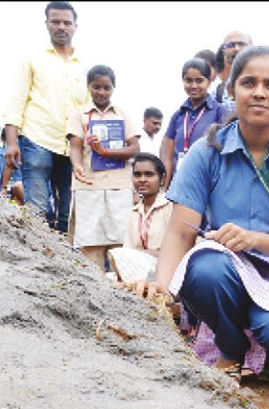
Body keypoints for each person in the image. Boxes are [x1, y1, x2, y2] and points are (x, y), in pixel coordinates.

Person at [137, 45, 269, 384]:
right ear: (230, 91)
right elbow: (181, 233)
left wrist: (255, 240)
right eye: (248, 82)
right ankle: (231, 346)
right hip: (226, 269)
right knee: (204, 266)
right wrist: (163, 291)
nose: (259, 92)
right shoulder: (205, 153)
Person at [4, 1, 87, 233]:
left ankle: (62, 264)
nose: (61, 27)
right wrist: (11, 143)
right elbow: (16, 100)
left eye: (66, 22)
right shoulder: (31, 58)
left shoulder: (84, 66)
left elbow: (88, 109)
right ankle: (37, 264)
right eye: (56, 22)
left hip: (72, 146)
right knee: (38, 209)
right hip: (37, 138)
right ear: (47, 24)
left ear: (75, 26)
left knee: (68, 211)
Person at [66, 65, 141, 270]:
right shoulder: (78, 114)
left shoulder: (122, 114)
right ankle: (95, 293)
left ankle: (123, 290)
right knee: (90, 244)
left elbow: (134, 148)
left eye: (106, 88)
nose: (101, 92)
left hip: (119, 185)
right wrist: (77, 166)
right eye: (96, 87)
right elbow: (75, 146)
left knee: (121, 243)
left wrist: (105, 152)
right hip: (88, 185)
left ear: (113, 88)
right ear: (88, 86)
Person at [160, 58, 229, 189]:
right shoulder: (178, 115)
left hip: (208, 183)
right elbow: (167, 155)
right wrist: (164, 188)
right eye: (188, 80)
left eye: (199, 80)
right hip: (179, 183)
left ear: (208, 82)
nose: (193, 86)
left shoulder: (220, 112)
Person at [108, 153, 172, 283]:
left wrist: (141, 253)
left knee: (120, 255)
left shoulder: (170, 206)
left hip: (167, 268)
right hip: (140, 267)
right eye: (137, 175)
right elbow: (128, 250)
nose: (142, 179)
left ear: (162, 179)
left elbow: (176, 251)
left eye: (149, 174)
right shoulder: (134, 211)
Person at [216, 31, 253, 109]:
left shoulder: (265, 79)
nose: (236, 49)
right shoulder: (218, 93)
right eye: (231, 45)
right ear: (224, 51)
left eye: (241, 44)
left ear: (252, 47)